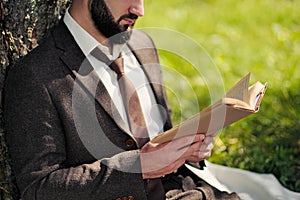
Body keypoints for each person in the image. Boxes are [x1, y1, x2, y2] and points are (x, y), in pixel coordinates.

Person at [4, 0, 240, 199]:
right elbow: (39, 188)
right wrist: (140, 167)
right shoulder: (34, 75)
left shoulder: (142, 44)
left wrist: (189, 147)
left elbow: (161, 133)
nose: (139, 9)